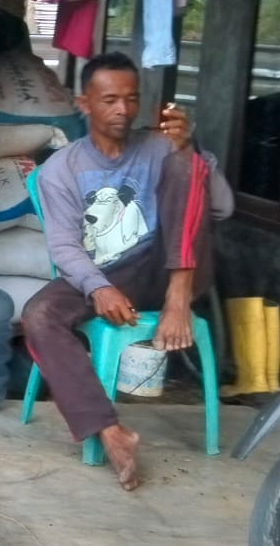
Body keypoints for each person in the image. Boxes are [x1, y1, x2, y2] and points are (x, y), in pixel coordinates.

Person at [21, 52, 233, 491]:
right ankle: (110, 432)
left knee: (182, 163)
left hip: (176, 267)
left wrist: (192, 152)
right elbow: (64, 247)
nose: (123, 110)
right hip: (113, 272)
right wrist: (99, 288)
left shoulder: (161, 147)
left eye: (131, 99)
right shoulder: (62, 169)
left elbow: (221, 209)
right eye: (110, 100)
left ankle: (177, 298)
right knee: (39, 314)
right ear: (85, 103)